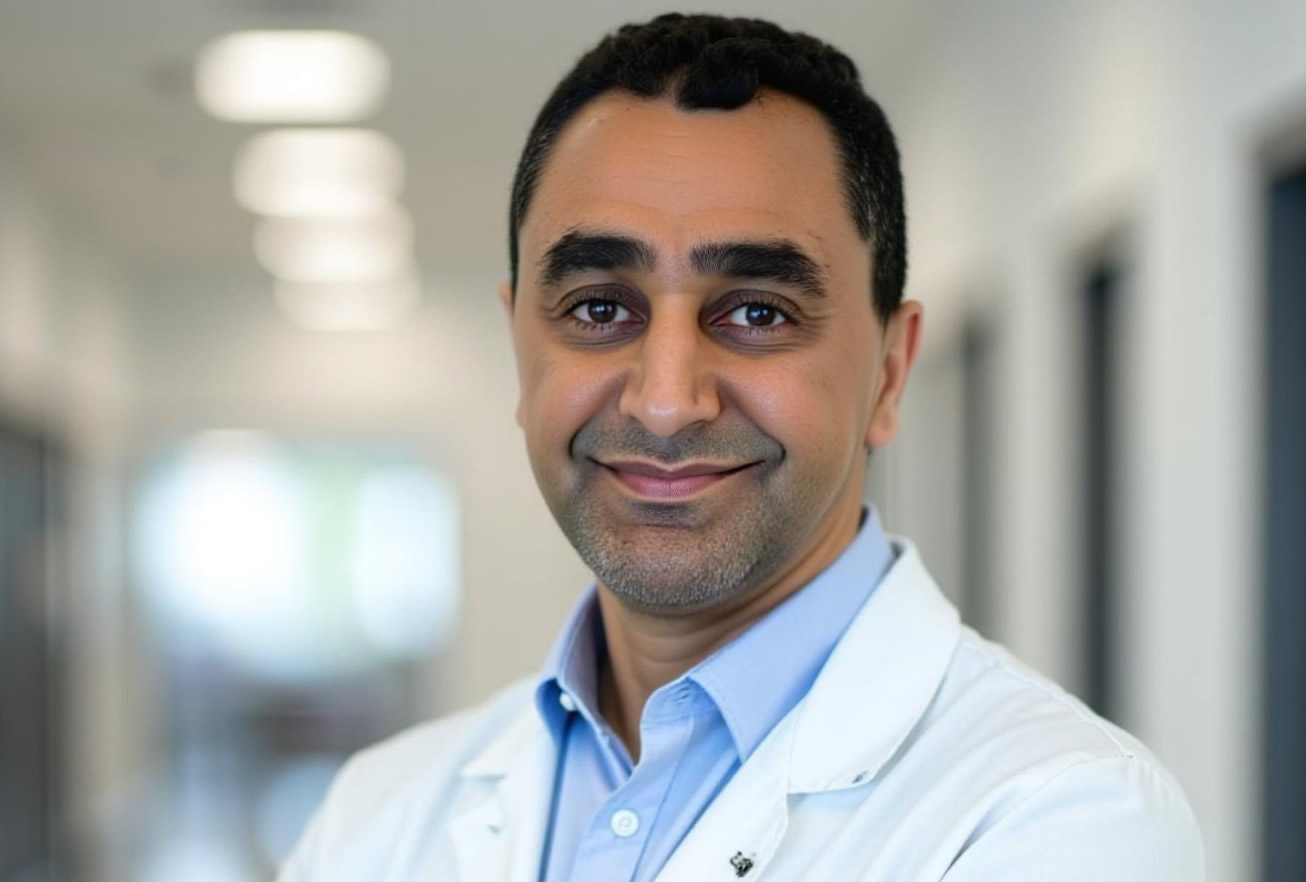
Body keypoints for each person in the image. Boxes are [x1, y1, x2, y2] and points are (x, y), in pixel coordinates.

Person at [276, 13, 1203, 881]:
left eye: (758, 312)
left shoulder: (1063, 819)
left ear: (889, 371)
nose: (667, 401)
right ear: (520, 348)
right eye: (598, 308)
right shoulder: (376, 816)